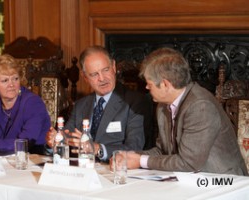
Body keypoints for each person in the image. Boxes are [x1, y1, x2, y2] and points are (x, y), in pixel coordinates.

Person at [118, 47, 248, 175]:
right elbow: (163, 151)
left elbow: (189, 163)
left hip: (223, 181)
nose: (146, 87)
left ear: (165, 84)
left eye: (149, 84)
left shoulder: (201, 106)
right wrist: (131, 156)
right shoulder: (163, 106)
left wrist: (141, 161)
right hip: (190, 178)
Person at [46, 45, 154, 161]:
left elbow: (135, 147)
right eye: (94, 74)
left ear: (113, 66)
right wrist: (55, 142)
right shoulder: (80, 105)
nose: (102, 78)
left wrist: (98, 149)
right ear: (85, 77)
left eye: (105, 70)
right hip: (84, 170)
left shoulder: (135, 102)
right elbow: (68, 138)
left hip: (116, 171)